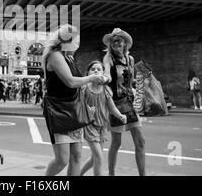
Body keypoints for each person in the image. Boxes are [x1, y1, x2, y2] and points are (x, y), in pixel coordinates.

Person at [43, 24, 105, 176]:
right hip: (59, 110)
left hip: (74, 109)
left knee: (76, 156)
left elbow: (78, 85)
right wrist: (92, 77)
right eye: (75, 41)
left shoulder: (69, 57)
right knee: (62, 160)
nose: (77, 45)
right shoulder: (55, 55)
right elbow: (70, 81)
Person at [102, 28, 146, 176]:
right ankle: (111, 174)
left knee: (140, 141)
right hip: (116, 104)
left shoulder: (130, 59)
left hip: (129, 102)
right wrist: (106, 77)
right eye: (113, 41)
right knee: (116, 143)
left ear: (125, 43)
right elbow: (107, 71)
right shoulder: (109, 59)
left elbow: (130, 80)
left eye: (119, 40)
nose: (116, 43)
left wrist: (142, 82)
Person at [80, 61, 127, 176]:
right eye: (93, 69)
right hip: (89, 126)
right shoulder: (84, 89)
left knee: (94, 158)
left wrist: (120, 115)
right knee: (99, 157)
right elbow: (78, 105)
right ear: (88, 73)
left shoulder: (106, 90)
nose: (96, 71)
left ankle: (79, 174)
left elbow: (112, 107)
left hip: (102, 127)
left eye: (99, 69)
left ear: (103, 74)